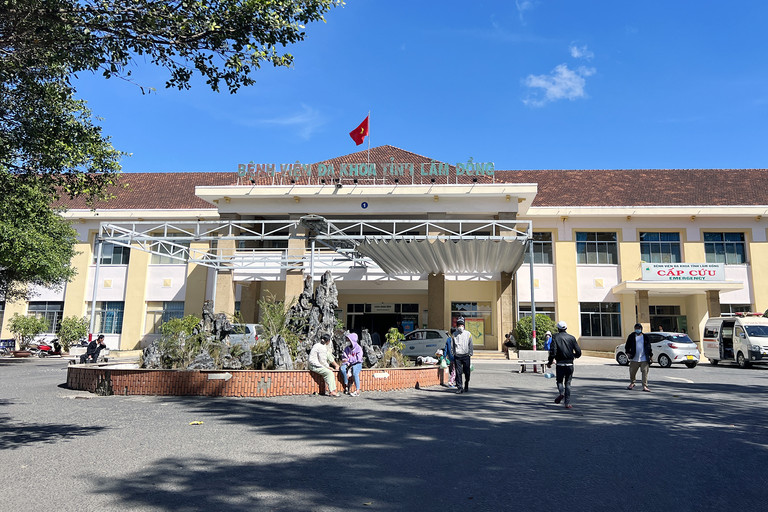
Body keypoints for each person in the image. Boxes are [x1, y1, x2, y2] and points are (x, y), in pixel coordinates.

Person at [546, 321, 582, 409]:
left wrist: (550, 362)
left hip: (560, 363)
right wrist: (573, 356)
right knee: (568, 383)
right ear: (566, 328)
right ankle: (567, 403)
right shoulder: (572, 338)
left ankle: (561, 393)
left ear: (558, 329)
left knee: (559, 381)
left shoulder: (555, 337)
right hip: (569, 363)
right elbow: (578, 352)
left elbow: (553, 352)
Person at [625, 323, 653, 392]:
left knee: (645, 372)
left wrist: (650, 356)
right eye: (636, 328)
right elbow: (627, 345)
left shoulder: (645, 337)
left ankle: (644, 386)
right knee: (632, 372)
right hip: (634, 358)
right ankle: (632, 383)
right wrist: (628, 353)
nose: (637, 330)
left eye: (639, 328)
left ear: (641, 329)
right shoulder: (631, 336)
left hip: (644, 358)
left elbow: (649, 347)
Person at [452, 317, 473, 394]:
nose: (460, 326)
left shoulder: (468, 334)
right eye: (459, 325)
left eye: (462, 325)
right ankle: (459, 387)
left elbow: (470, 344)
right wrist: (453, 353)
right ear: (457, 326)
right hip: (457, 356)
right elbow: (452, 345)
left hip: (466, 355)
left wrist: (470, 353)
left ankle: (466, 383)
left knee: (467, 372)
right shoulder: (454, 334)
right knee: (458, 372)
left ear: (464, 326)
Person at [340, 332, 363, 396]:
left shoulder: (358, 348)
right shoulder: (347, 348)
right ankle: (346, 384)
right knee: (342, 368)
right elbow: (344, 358)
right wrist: (347, 363)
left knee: (355, 373)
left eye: (349, 340)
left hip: (357, 363)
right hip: (348, 363)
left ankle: (357, 390)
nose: (348, 342)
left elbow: (358, 358)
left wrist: (349, 360)